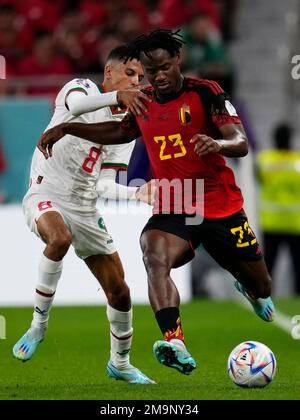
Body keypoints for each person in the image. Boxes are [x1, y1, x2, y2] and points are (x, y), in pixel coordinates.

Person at [37, 29, 275, 376]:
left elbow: (240, 141)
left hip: (220, 205)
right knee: (152, 251)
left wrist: (218, 144)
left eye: (163, 68)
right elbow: (120, 132)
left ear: (177, 60)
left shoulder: (206, 92)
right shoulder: (145, 100)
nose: (158, 77)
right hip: (176, 203)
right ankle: (175, 340)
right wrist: (69, 127)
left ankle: (250, 288)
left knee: (262, 285)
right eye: (150, 72)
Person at [13, 44, 155, 385]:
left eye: (140, 77)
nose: (136, 82)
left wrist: (136, 192)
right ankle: (38, 326)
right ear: (110, 74)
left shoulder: (125, 128)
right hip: (46, 193)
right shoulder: (81, 88)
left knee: (119, 291)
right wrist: (117, 97)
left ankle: (119, 363)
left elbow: (104, 185)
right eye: (130, 74)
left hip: (85, 206)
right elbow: (77, 107)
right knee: (59, 238)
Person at [257, 123, 300, 295]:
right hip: (294, 223)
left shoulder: (264, 160)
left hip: (271, 222)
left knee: (268, 264)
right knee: (298, 265)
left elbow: (259, 178)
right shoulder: (297, 161)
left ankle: (264, 295)